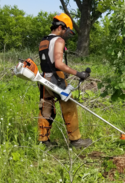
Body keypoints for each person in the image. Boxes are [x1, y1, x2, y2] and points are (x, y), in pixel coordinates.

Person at [38, 13, 92, 148]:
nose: (67, 34)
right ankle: (76, 140)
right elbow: (58, 64)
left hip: (44, 78)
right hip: (56, 79)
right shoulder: (59, 41)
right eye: (67, 31)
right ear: (61, 27)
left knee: (46, 108)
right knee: (70, 106)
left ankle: (44, 142)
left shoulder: (44, 41)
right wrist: (78, 73)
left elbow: (48, 62)